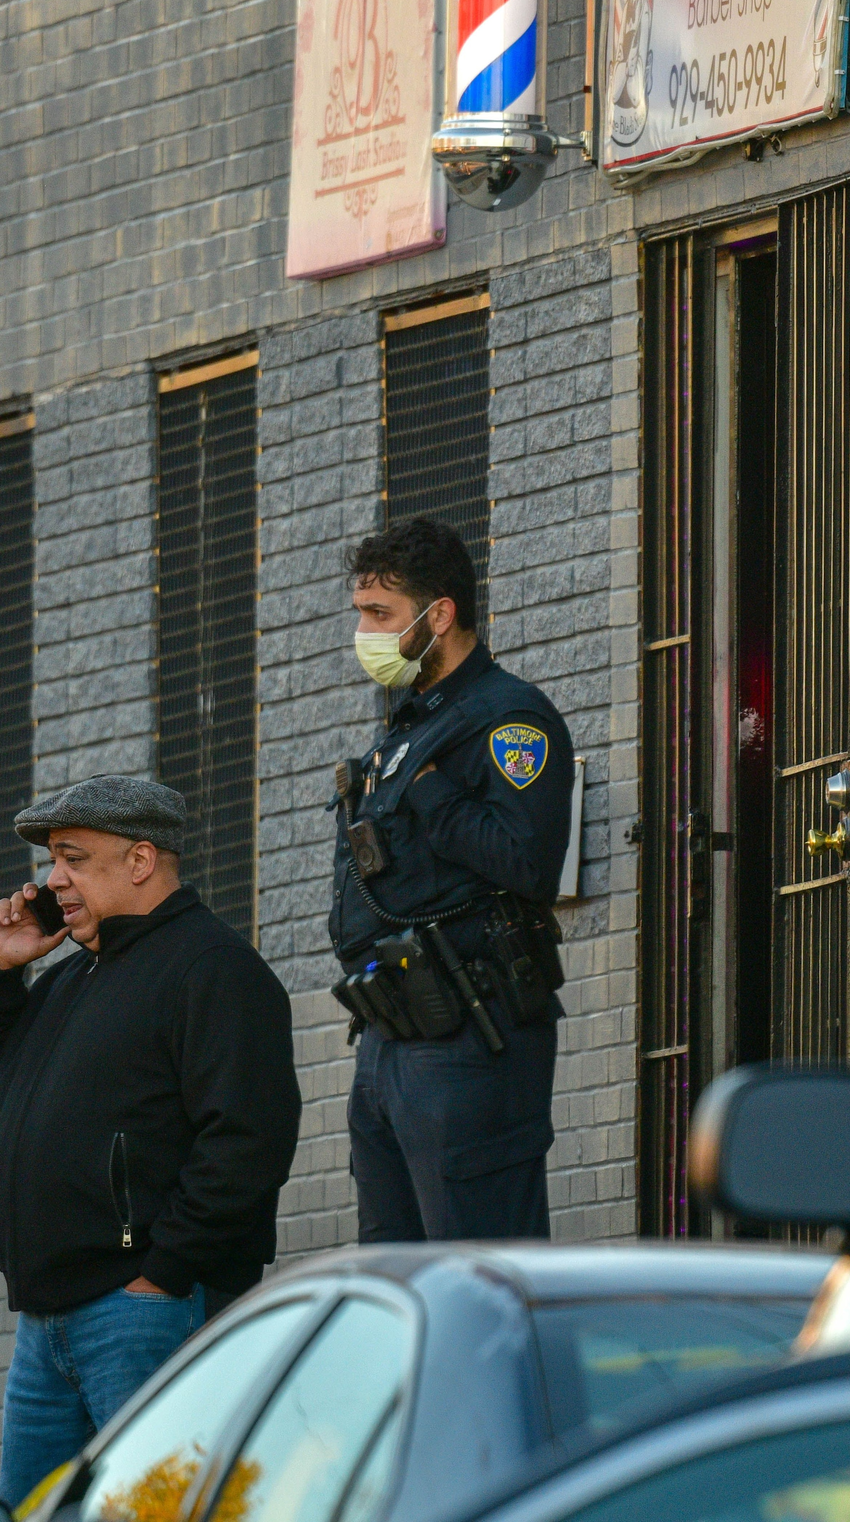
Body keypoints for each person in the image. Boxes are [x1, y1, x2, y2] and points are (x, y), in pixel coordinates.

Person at [0, 776, 301, 1509]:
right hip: (47, 1326)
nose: (53, 880)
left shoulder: (215, 971)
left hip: (144, 1312)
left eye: (73, 858)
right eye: (54, 860)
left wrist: (164, 1272)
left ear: (141, 861)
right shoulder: (71, 978)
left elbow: (247, 1141)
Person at [330, 517, 574, 1242]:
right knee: (396, 1286)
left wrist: (434, 794)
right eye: (361, 615)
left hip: (470, 1034)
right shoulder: (408, 727)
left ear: (440, 615)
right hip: (389, 1037)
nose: (366, 634)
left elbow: (527, 862)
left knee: (477, 1276)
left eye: (381, 615)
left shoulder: (509, 719)